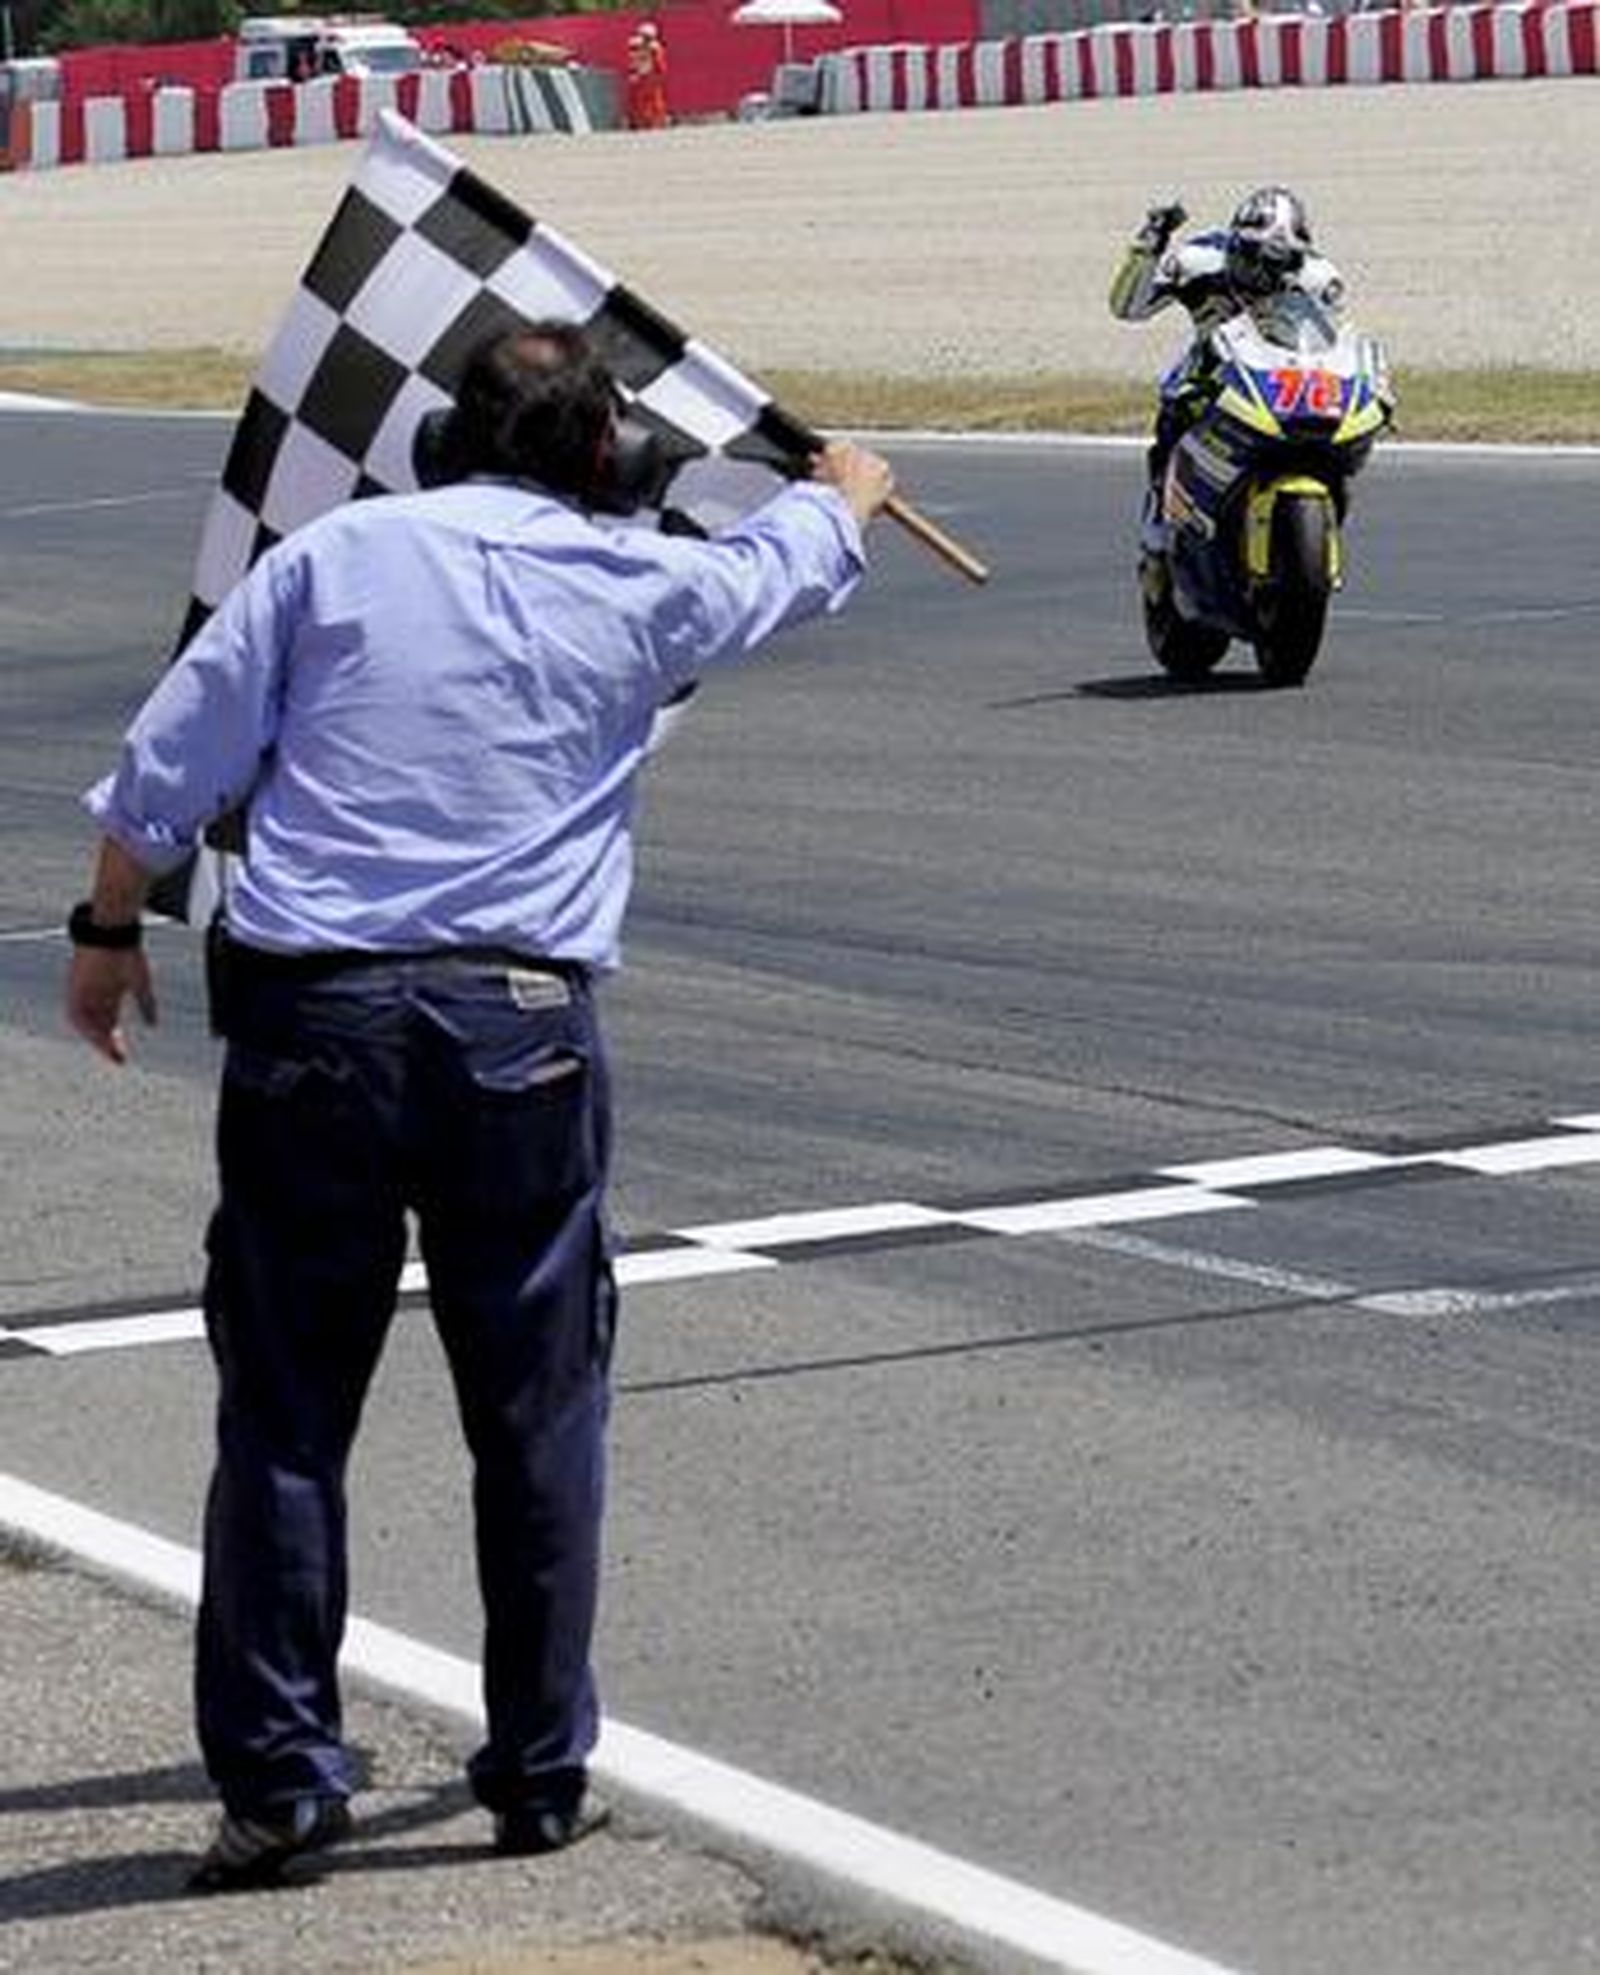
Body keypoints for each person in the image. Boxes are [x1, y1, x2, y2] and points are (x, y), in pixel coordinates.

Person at [64, 320, 894, 1892]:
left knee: (288, 1409)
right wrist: (843, 491)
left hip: (312, 1024)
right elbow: (773, 573)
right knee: (539, 1409)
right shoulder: (636, 579)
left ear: (452, 440)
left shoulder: (336, 558)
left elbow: (167, 761)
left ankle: (284, 1787)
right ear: (606, 458)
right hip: (519, 1031)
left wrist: (108, 933)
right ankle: (535, 1769)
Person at [1109, 185, 1345, 526]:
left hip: (1279, 378)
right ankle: (1157, 538)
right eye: (1256, 255)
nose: (1267, 271)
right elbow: (1128, 308)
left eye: (1283, 261)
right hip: (1209, 374)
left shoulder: (1318, 279)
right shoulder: (1197, 261)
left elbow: (1328, 344)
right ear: (1236, 240)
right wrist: (1149, 246)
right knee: (1174, 421)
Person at [625, 21, 669, 130]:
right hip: (643, 77)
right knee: (640, 101)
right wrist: (634, 72)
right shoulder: (637, 47)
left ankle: (656, 122)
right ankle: (641, 122)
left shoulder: (655, 48)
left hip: (651, 77)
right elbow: (634, 62)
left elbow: (659, 65)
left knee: (654, 101)